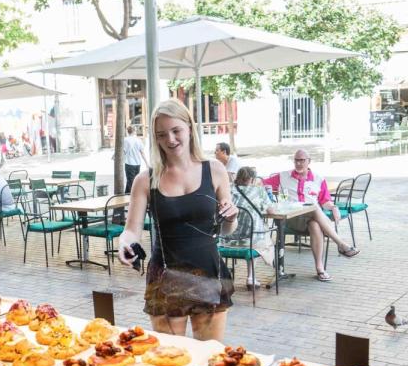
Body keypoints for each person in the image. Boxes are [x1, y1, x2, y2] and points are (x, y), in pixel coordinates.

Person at [117, 98, 238, 342]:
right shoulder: (145, 180)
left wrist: (231, 216)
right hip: (165, 277)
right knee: (171, 358)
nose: (170, 140)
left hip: (208, 274)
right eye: (161, 134)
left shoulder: (215, 170)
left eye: (176, 131)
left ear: (190, 128)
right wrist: (125, 243)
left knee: (208, 358)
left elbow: (226, 230)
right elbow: (132, 230)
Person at [262, 149, 359, 282]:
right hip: (291, 219)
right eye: (296, 160)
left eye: (302, 160)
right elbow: (260, 183)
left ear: (309, 161)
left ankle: (320, 269)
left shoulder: (318, 179)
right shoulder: (283, 176)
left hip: (312, 219)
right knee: (314, 208)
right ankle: (341, 244)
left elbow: (325, 201)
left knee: (315, 225)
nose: (299, 163)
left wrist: (334, 207)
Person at [227, 166, 275, 289]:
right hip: (251, 239)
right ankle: (251, 277)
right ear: (252, 179)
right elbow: (271, 211)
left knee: (253, 235)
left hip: (228, 238)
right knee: (258, 237)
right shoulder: (259, 191)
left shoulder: (229, 189)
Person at [122, 125, 149, 193]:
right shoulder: (138, 140)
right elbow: (142, 152)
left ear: (127, 132)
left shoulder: (125, 140)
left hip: (129, 163)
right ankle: (126, 195)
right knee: (132, 181)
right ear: (134, 131)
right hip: (137, 164)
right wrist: (146, 163)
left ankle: (132, 197)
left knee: (131, 182)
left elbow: (123, 152)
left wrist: (115, 157)